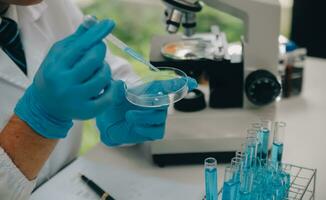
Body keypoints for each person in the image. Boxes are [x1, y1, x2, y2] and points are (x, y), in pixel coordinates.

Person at [0, 0, 197, 199]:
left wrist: (130, 97)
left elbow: (106, 69)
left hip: (70, 186)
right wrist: (37, 121)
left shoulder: (50, 4)